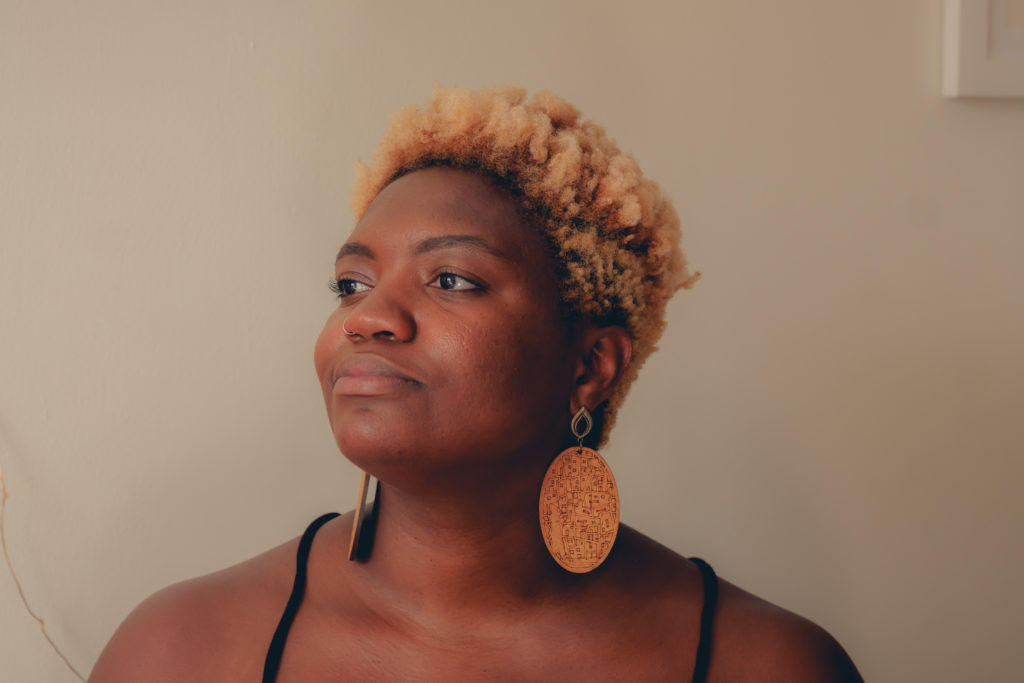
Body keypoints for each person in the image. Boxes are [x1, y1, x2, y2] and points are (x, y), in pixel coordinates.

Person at [89, 86, 861, 682]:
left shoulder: (767, 664)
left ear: (590, 366)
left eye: (451, 279)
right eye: (350, 283)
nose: (368, 317)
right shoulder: (178, 651)